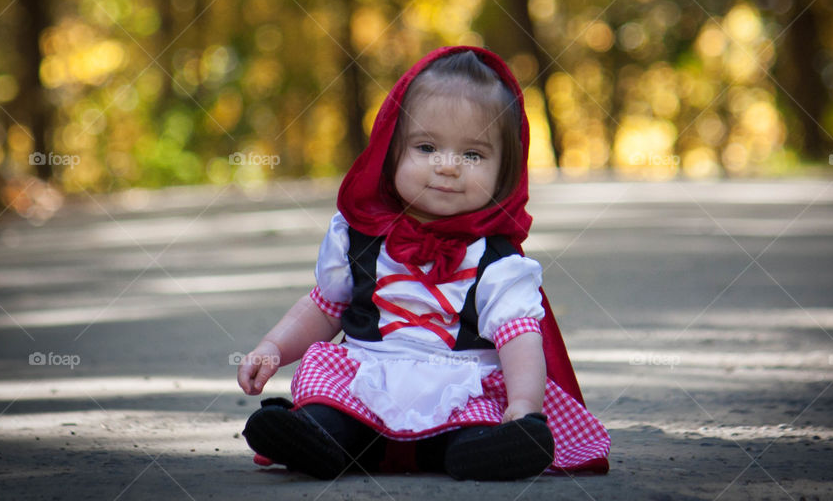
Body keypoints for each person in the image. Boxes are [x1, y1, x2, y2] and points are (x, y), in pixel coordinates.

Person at [236, 46, 611, 480]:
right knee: (329, 402)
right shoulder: (357, 236)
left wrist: (523, 409)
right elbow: (324, 307)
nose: (448, 167)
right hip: (366, 377)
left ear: (506, 169)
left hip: (457, 385)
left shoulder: (496, 262)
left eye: (473, 155)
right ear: (390, 151)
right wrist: (272, 347)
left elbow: (520, 339)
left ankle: (486, 451)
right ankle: (317, 439)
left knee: (474, 422)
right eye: (427, 146)